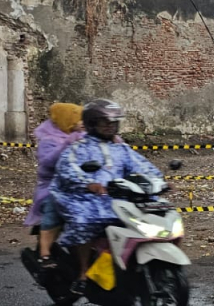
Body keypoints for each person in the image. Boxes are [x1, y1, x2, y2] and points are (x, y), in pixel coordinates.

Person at [52, 99, 162, 292]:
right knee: (84, 221)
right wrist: (88, 184)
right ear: (91, 123)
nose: (110, 126)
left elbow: (142, 166)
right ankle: (83, 274)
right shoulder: (79, 148)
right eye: (105, 122)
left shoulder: (121, 148)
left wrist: (159, 181)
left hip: (116, 197)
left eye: (113, 123)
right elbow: (67, 169)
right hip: (83, 197)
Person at [24, 102, 84, 269]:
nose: (81, 123)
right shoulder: (49, 140)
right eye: (77, 119)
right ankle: (45, 254)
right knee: (53, 207)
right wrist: (67, 144)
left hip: (79, 183)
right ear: (67, 120)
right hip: (52, 185)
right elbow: (47, 162)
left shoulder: (81, 135)